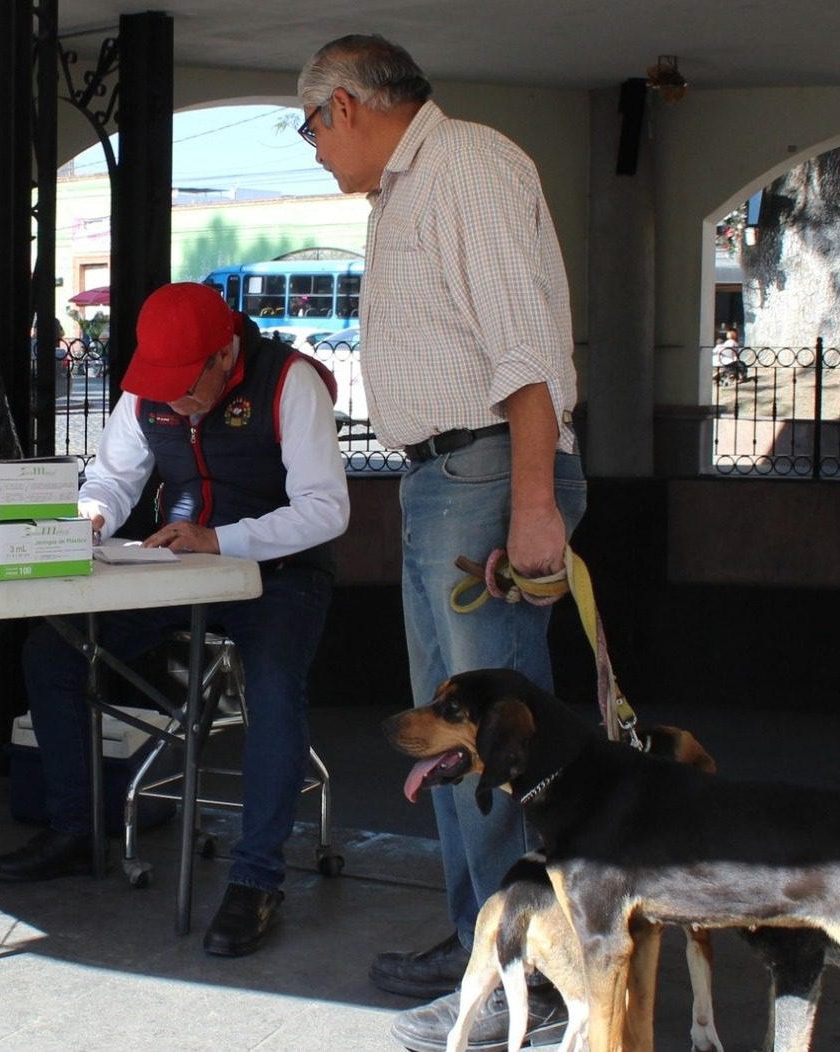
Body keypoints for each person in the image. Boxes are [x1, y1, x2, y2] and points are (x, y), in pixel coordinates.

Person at [298, 34, 586, 1050]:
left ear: (343, 104)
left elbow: (525, 351)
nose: (314, 148)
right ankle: (482, 942)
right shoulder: (405, 192)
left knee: (497, 746)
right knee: (453, 745)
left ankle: (528, 982)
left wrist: (534, 500)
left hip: (484, 472)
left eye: (308, 126)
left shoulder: (462, 163)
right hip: (447, 478)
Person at [0, 281, 348, 959]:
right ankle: (75, 827)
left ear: (224, 356)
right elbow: (113, 478)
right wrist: (92, 516)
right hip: (179, 565)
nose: (175, 400)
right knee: (54, 652)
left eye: (189, 384)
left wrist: (224, 538)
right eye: (164, 386)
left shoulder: (290, 382)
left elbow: (327, 508)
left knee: (272, 691)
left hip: (282, 574)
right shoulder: (150, 388)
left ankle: (256, 879)